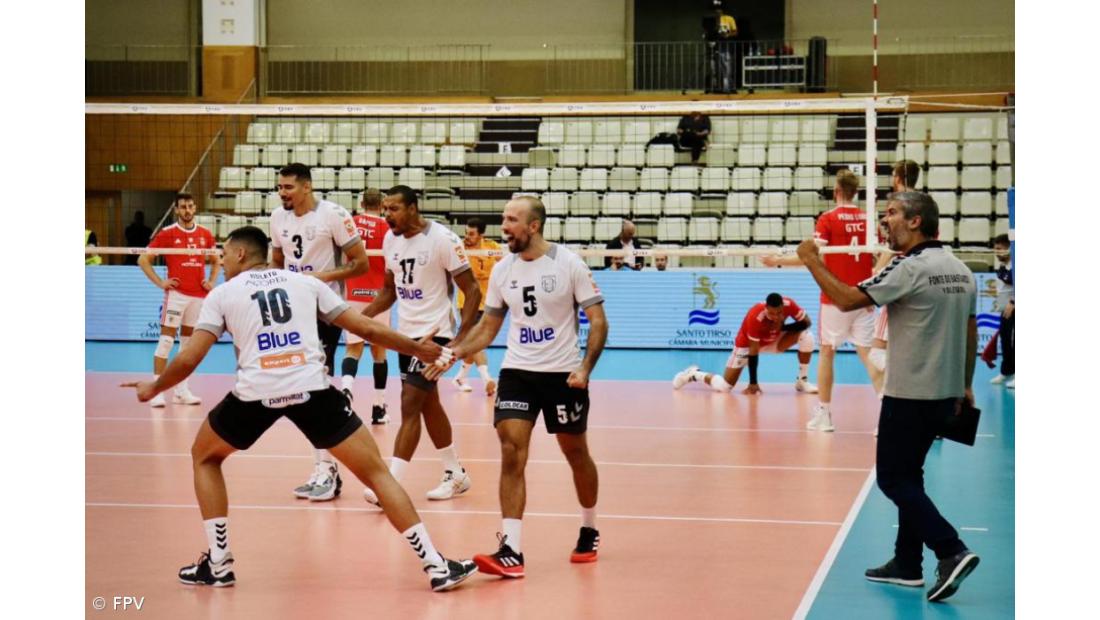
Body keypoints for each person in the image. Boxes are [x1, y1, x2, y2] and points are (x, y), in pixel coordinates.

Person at [121, 226, 477, 593]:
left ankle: (219, 563)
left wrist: (155, 385)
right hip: (312, 390)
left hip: (255, 394)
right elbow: (363, 326)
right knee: (377, 474)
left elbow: (192, 356)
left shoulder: (223, 294)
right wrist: (416, 348)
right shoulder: (305, 283)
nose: (220, 260)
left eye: (224, 253)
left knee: (205, 457)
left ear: (241, 254)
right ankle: (436, 565)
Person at [795, 191, 980, 603]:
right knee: (911, 475)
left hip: (909, 393)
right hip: (945, 394)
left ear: (916, 222)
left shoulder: (908, 269)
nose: (884, 219)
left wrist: (811, 259)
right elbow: (970, 333)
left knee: (893, 478)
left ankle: (950, 550)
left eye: (893, 212)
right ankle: (907, 564)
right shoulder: (962, 271)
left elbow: (845, 300)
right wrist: (964, 386)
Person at [425, 195, 608, 578]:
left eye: (511, 220)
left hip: (562, 375)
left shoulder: (567, 264)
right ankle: (511, 549)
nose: (504, 226)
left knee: (575, 452)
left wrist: (585, 368)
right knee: (511, 450)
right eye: (504, 218)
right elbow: (489, 327)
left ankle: (589, 527)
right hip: (518, 372)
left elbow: (598, 320)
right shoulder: (504, 269)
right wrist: (454, 351)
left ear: (534, 225)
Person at [361, 185, 482, 506]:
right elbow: (389, 291)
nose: (387, 216)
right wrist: (359, 318)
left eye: (394, 209)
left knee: (410, 401)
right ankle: (454, 472)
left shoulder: (442, 239)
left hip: (436, 335)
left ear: (413, 208)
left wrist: (458, 342)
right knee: (428, 404)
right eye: (384, 209)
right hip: (406, 336)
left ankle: (389, 485)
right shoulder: (390, 240)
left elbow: (472, 291)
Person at [270, 163, 371, 502]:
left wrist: (319, 279)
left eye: (288, 187)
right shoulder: (277, 218)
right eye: (280, 187)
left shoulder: (333, 215)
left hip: (324, 310)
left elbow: (361, 263)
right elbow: (277, 262)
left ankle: (327, 470)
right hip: (292, 310)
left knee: (313, 388)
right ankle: (325, 468)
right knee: (303, 388)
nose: (283, 193)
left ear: (307, 187)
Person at [762, 170, 883, 432]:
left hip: (835, 298)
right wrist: (873, 279)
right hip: (863, 297)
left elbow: (811, 257)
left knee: (827, 353)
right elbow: (882, 256)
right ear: (856, 192)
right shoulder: (868, 219)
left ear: (836, 191)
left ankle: (825, 415)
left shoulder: (828, 218)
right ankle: (888, 416)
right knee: (868, 355)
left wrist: (777, 260)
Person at [138, 193, 220, 408]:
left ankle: (181, 391)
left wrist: (211, 280)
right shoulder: (167, 233)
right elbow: (143, 259)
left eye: (190, 206)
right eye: (183, 207)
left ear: (195, 208)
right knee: (165, 343)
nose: (187, 210)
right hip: (177, 295)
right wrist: (161, 282)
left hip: (198, 297)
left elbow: (216, 259)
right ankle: (156, 391)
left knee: (186, 347)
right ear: (176, 209)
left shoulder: (205, 234)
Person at [673, 293, 818, 394]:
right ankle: (694, 374)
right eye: (772, 314)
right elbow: (753, 352)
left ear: (782, 307)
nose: (775, 317)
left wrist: (782, 327)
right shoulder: (755, 316)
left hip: (774, 340)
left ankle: (802, 381)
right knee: (725, 387)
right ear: (766, 308)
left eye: (779, 313)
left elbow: (807, 322)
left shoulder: (789, 304)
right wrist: (753, 383)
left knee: (807, 336)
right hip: (747, 346)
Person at [869, 159, 922, 391]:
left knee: (878, 353)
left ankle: (890, 403)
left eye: (893, 175)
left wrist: (879, 267)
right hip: (921, 272)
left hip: (900, 274)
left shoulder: (899, 205)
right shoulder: (925, 203)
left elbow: (896, 244)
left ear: (898, 178)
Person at [340, 188, 392, 425]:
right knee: (379, 353)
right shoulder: (387, 227)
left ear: (361, 203)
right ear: (382, 205)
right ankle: (378, 408)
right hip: (379, 296)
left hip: (353, 292)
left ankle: (346, 389)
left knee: (353, 348)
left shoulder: (350, 224)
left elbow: (342, 260)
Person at [452, 218, 502, 395]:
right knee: (477, 340)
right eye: (466, 233)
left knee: (475, 341)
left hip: (487, 302)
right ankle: (487, 378)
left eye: (472, 234)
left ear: (481, 234)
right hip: (466, 302)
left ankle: (460, 376)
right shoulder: (461, 248)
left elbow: (506, 263)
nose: (468, 236)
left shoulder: (492, 247)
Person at [990, 233, 1014, 388]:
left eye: (1000, 249)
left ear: (1009, 248)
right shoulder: (1003, 266)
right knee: (1005, 340)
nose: (997, 253)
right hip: (1005, 310)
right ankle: (1007, 372)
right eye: (995, 249)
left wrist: (1014, 302)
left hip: (1015, 308)